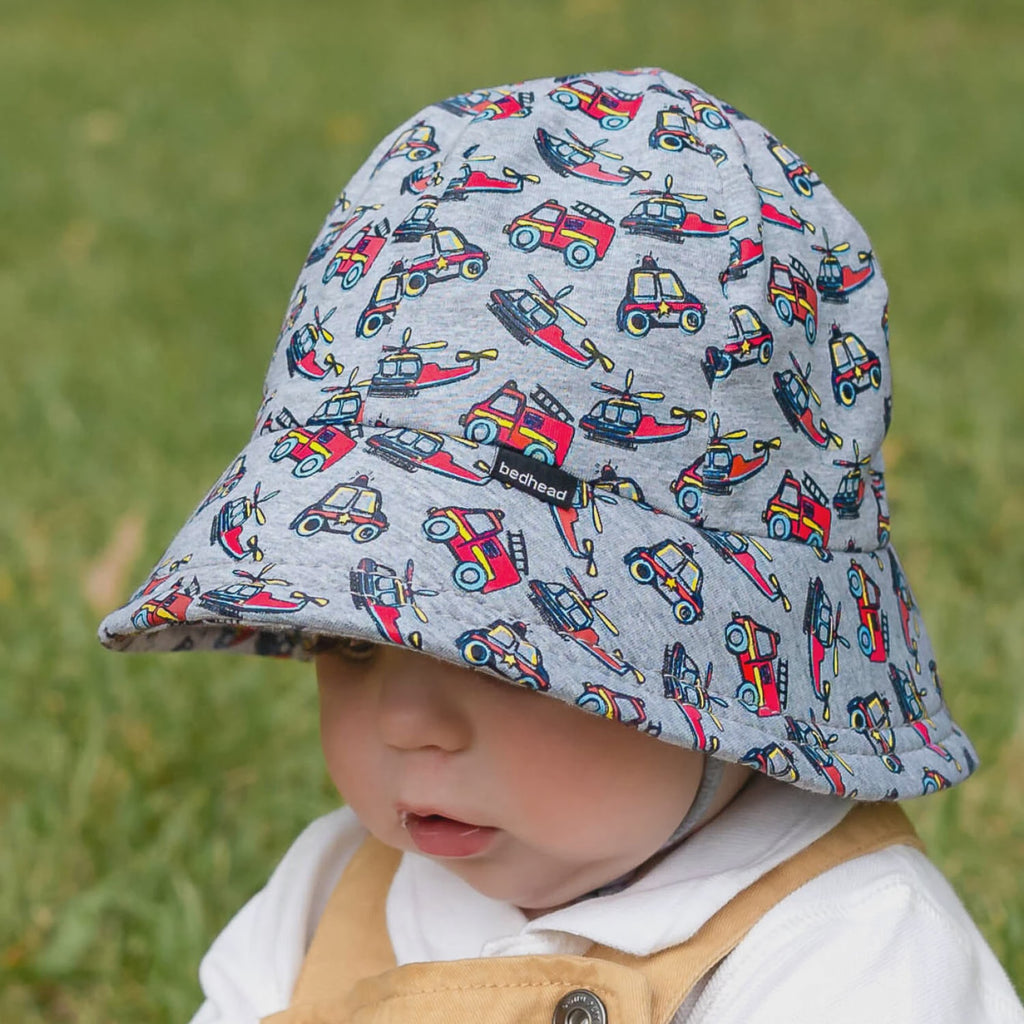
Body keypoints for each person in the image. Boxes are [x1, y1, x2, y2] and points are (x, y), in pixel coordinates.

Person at [99, 68, 1024, 1022]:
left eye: (502, 655)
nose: (405, 722)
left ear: (730, 673)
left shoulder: (852, 953)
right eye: (355, 643)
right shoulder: (329, 899)